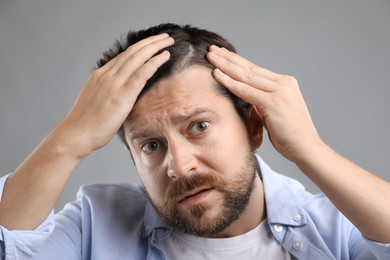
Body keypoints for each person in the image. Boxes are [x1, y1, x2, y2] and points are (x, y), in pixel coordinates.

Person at [0, 23, 389, 259]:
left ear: (254, 127)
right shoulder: (94, 225)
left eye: (198, 127)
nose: (179, 166)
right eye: (151, 145)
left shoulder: (338, 229)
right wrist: (69, 139)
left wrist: (310, 150)